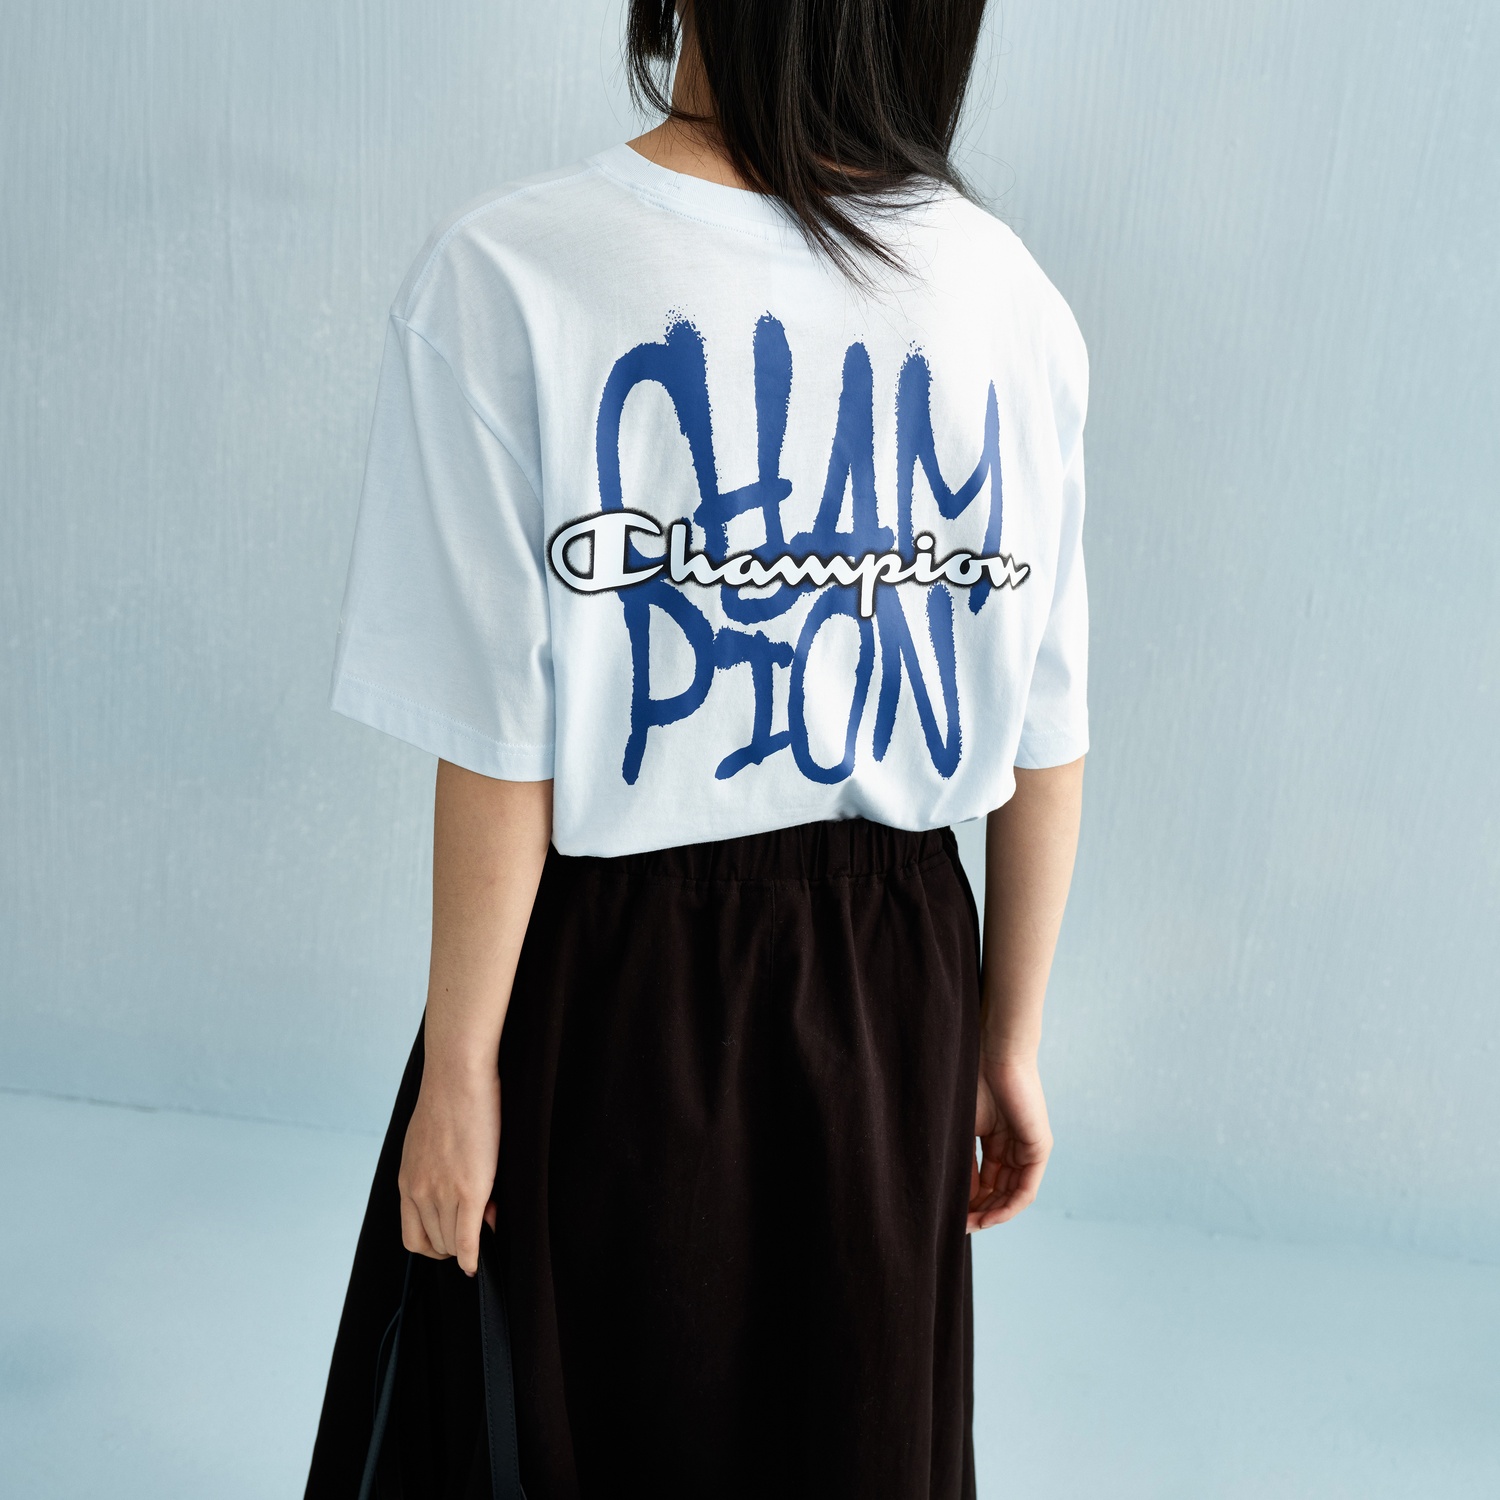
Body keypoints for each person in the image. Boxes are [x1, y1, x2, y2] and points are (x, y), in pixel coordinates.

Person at [305, 0, 1087, 1495]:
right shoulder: (1008, 294)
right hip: (903, 978)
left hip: (619, 977)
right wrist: (1007, 1041)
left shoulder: (515, 271)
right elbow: (1047, 726)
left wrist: (458, 1071)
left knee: (590, 1422)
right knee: (853, 1434)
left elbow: (504, 740)